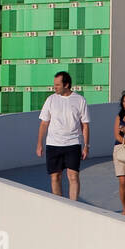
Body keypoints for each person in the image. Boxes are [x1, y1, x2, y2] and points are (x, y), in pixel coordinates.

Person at [36, 71, 90, 200]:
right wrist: (39, 144)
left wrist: (86, 146)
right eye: (55, 85)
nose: (55, 87)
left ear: (66, 84)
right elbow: (44, 123)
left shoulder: (80, 100)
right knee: (55, 176)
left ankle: (74, 205)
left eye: (57, 85)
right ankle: (59, 205)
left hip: (73, 143)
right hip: (53, 144)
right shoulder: (51, 99)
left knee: (73, 176)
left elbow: (85, 125)